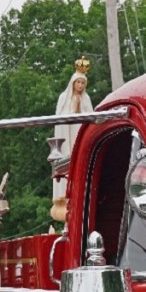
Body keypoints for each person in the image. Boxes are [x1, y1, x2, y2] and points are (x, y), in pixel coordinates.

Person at [52, 60, 93, 220]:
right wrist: (74, 110)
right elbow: (60, 120)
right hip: (67, 135)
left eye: (83, 83)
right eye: (78, 82)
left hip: (78, 133)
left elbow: (89, 118)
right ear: (73, 83)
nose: (81, 86)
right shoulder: (64, 97)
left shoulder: (86, 99)